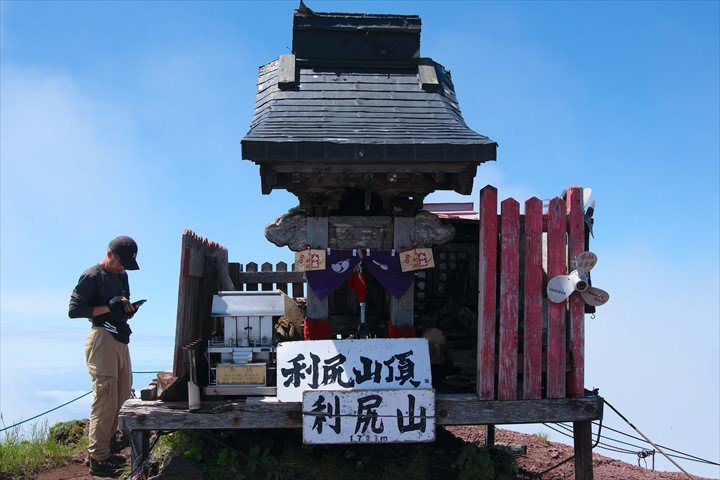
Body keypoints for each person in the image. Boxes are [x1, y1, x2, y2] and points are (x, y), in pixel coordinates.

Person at [68, 236, 141, 478]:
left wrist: (127, 309)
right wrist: (110, 307)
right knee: (105, 396)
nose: (123, 268)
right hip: (101, 337)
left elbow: (121, 308)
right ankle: (98, 459)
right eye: (121, 263)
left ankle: (107, 449)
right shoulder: (92, 276)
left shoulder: (121, 276)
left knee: (122, 395)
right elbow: (74, 310)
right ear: (110, 254)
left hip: (120, 338)